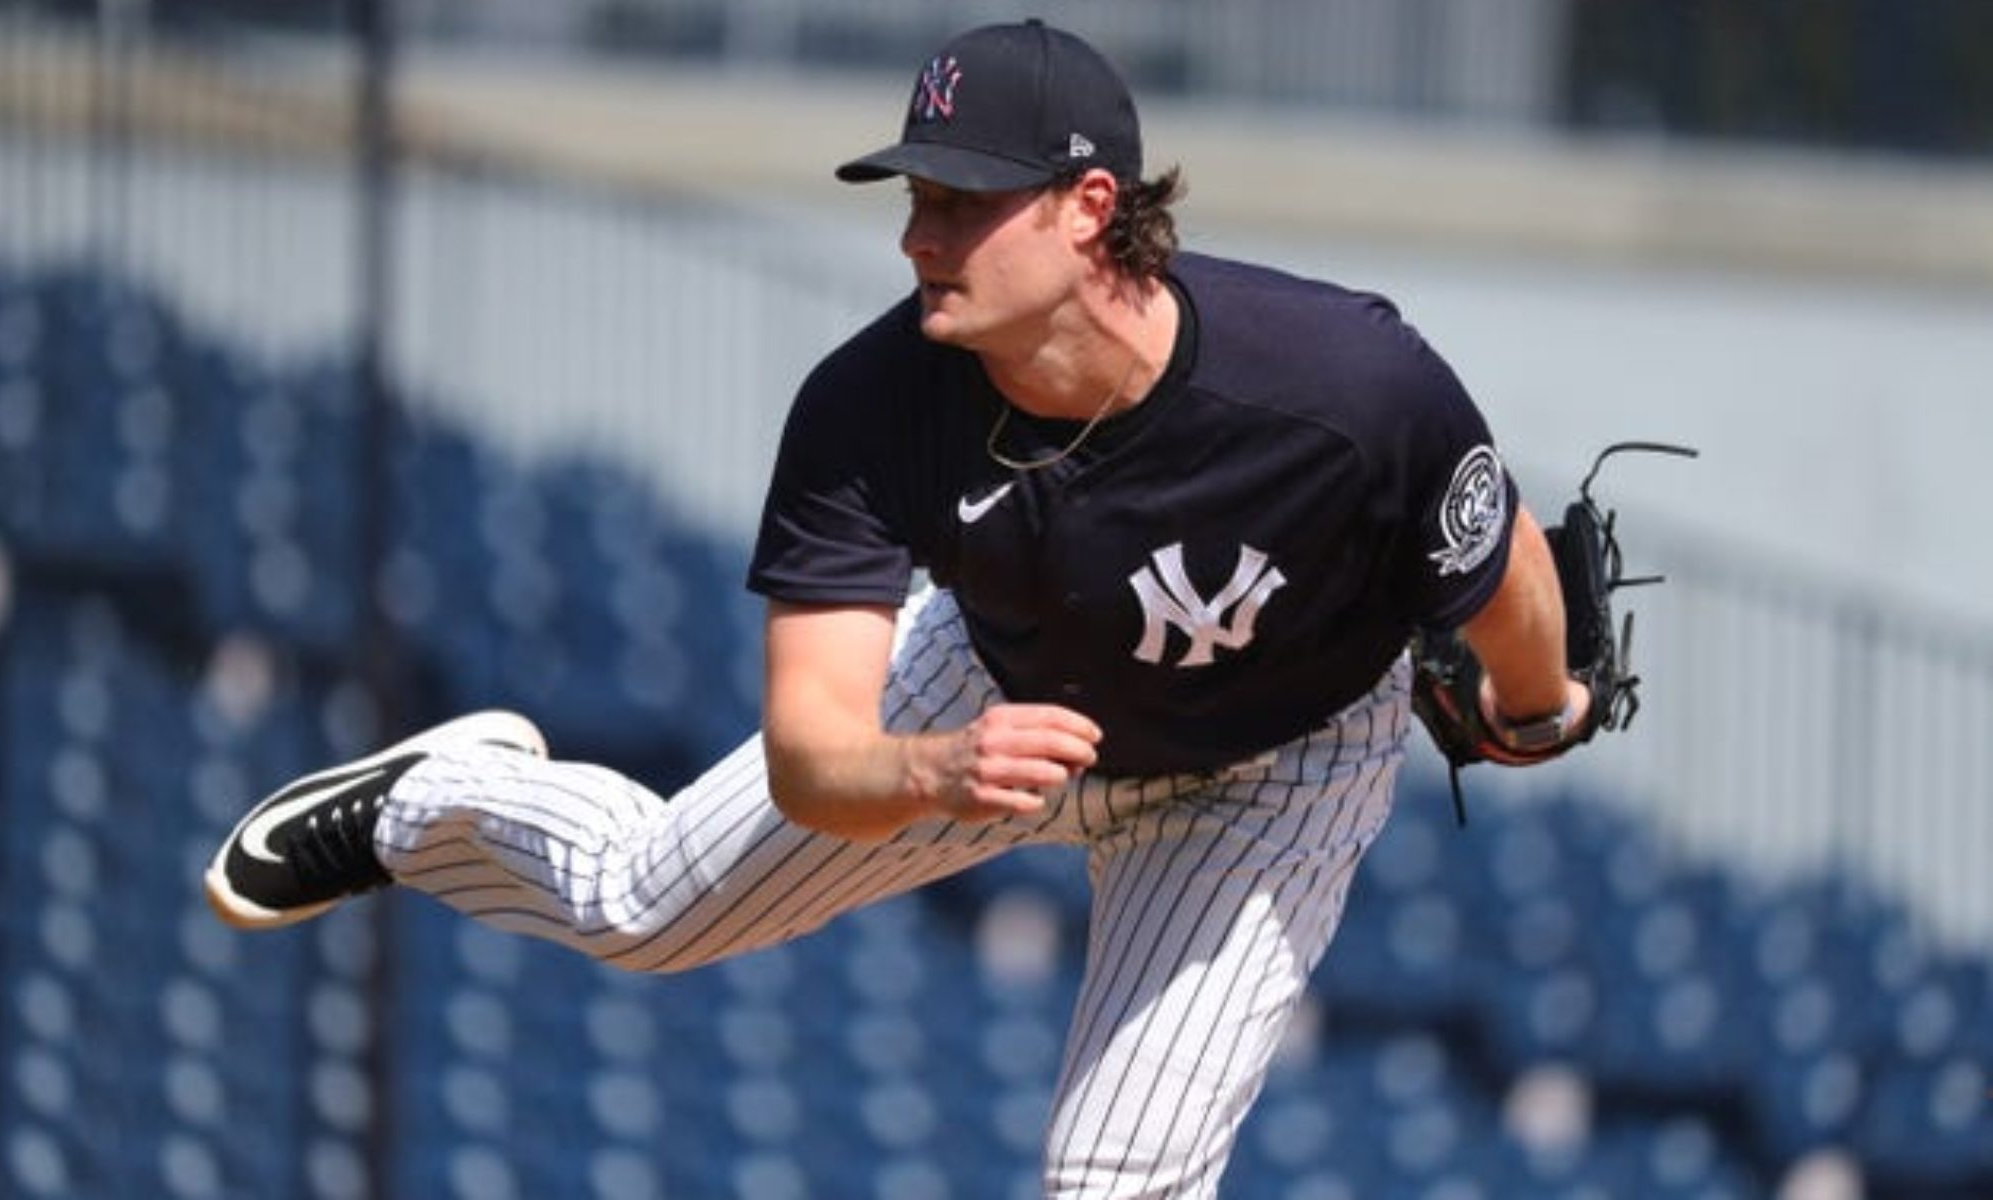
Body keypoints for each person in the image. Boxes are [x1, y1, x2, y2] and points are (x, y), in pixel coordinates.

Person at [204, 19, 1590, 1197]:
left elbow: (1503, 553)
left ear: (1089, 207)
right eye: (914, 194)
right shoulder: (869, 409)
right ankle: (423, 800)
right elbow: (815, 752)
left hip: (1273, 773)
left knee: (1112, 1183)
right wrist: (929, 766)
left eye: (963, 200)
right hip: (994, 697)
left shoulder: (1344, 381)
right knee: (642, 907)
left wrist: (1538, 704)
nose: (921, 234)